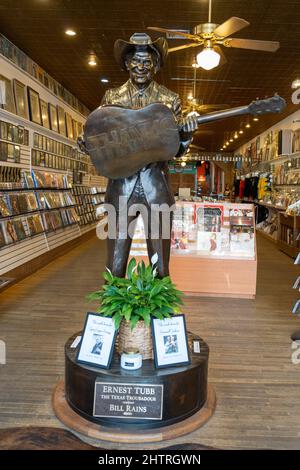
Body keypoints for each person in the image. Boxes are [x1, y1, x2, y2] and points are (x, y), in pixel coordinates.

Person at [79, 33, 198, 278]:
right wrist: (87, 143)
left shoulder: (169, 99)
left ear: (155, 66)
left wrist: (185, 136)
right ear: (126, 63)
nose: (141, 67)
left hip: (157, 185)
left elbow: (174, 151)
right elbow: (104, 137)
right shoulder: (112, 98)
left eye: (147, 62)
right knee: (115, 258)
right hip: (121, 187)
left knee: (161, 261)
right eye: (136, 61)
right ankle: (113, 311)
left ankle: (160, 314)